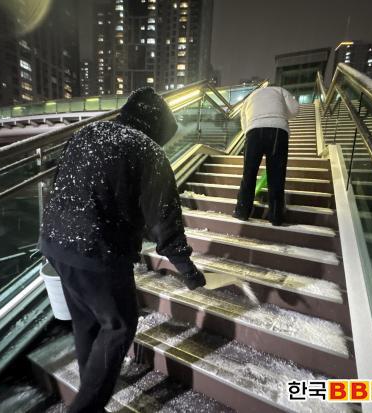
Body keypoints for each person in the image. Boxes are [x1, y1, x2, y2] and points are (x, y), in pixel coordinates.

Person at [39, 87, 206, 413]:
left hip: (55, 242)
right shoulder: (147, 150)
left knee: (86, 321)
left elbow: (62, 182)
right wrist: (188, 270)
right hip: (97, 250)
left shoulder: (89, 133)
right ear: (157, 127)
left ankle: (90, 395)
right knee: (119, 325)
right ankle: (85, 408)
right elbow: (165, 217)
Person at [233, 85, 299, 226]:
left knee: (249, 174)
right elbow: (294, 110)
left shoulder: (250, 96)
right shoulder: (280, 90)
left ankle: (242, 212)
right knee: (276, 175)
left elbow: (243, 119)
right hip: (277, 131)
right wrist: (280, 113)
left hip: (253, 131)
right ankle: (276, 216)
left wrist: (249, 132)